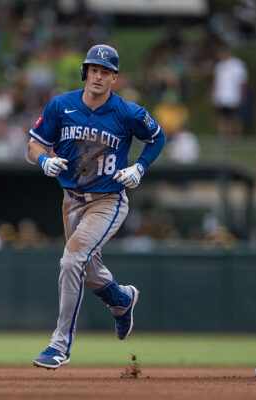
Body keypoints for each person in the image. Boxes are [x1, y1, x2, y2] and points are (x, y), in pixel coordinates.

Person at [26, 44, 166, 369]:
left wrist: (139, 167)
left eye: (105, 72)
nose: (98, 76)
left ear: (114, 78)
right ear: (85, 72)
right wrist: (44, 160)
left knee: (71, 260)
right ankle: (121, 299)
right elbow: (33, 144)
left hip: (108, 200)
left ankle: (59, 346)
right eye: (94, 70)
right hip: (71, 200)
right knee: (85, 269)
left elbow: (157, 137)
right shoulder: (62, 105)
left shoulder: (127, 112)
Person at [211, 46, 249, 139]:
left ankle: (236, 137)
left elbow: (243, 82)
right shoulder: (219, 66)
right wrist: (213, 93)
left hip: (233, 96)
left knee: (235, 118)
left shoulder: (238, 65)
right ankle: (224, 137)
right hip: (221, 97)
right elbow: (216, 81)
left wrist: (242, 95)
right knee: (222, 117)